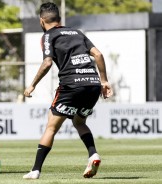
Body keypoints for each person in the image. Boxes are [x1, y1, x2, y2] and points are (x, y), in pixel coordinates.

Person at [23, 2, 113, 179]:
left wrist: (32, 84)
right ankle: (93, 154)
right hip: (92, 84)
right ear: (60, 19)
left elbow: (47, 62)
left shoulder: (49, 35)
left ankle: (35, 170)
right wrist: (104, 81)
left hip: (71, 85)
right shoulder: (77, 33)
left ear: (42, 21)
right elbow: (98, 55)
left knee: (51, 126)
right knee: (79, 122)